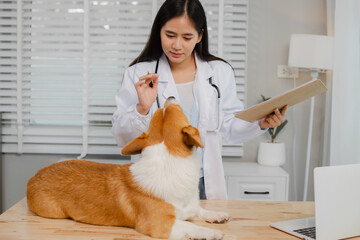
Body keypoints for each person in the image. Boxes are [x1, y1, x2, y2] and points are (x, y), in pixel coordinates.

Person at [112, 0, 287, 200]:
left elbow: (228, 127)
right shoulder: (138, 74)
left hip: (203, 181)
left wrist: (260, 123)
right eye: (169, 35)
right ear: (158, 31)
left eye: (187, 37)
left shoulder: (219, 72)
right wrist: (142, 108)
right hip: (157, 182)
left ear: (200, 36)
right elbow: (122, 137)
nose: (177, 45)